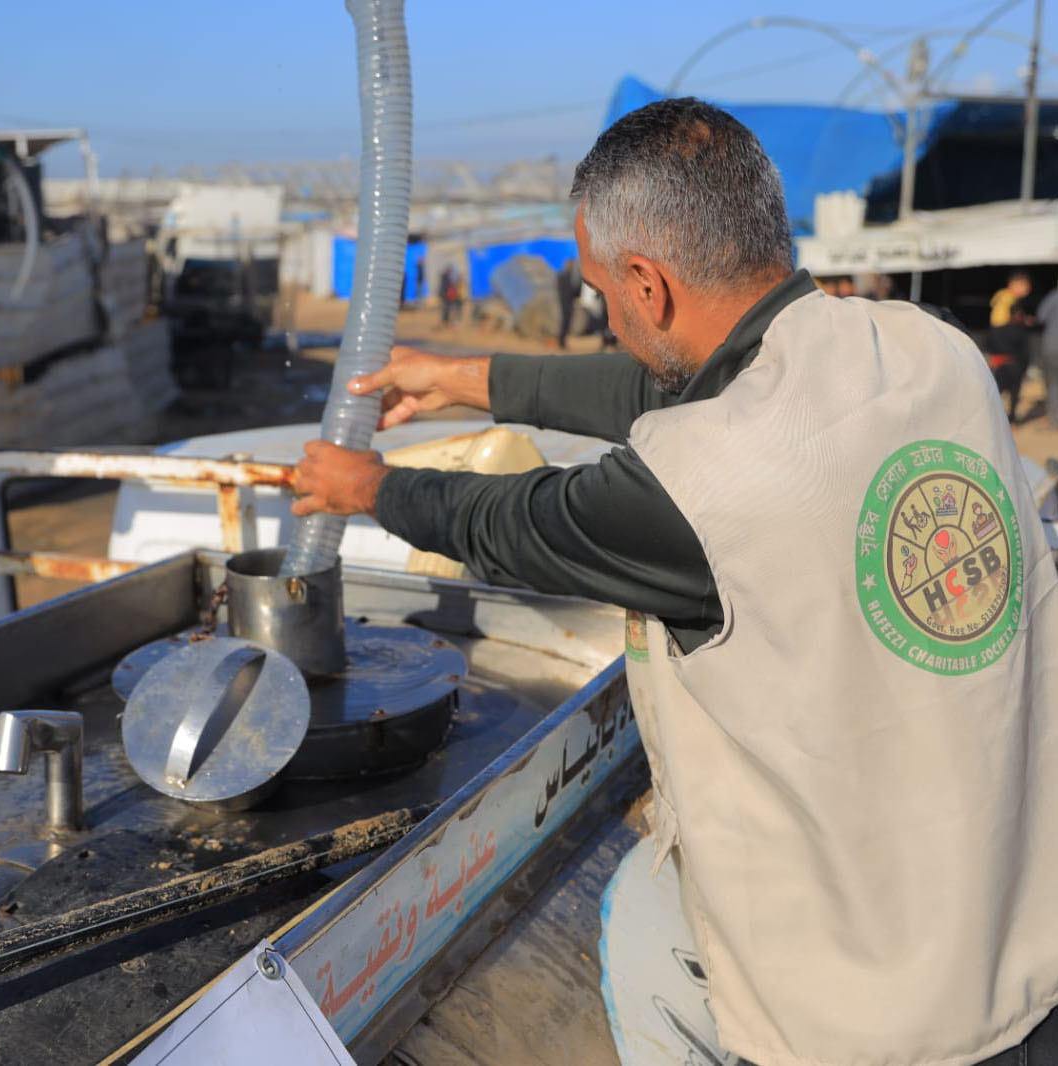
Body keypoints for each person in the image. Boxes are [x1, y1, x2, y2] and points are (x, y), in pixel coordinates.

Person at [292, 99, 1057, 1065]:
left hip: (880, 1024)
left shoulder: (703, 487)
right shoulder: (927, 350)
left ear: (647, 284)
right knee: (648, 915)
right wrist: (469, 378)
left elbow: (513, 521)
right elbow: (693, 387)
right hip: (1024, 931)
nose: (608, 320)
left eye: (605, 296)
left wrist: (366, 486)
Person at [988, 269, 1035, 421]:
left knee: (1003, 388)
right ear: (1013, 284)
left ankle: (1009, 417)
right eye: (1024, 285)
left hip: (1006, 352)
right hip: (1008, 353)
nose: (1027, 289)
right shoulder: (1007, 299)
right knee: (1003, 387)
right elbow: (999, 325)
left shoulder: (1005, 299)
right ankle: (1007, 418)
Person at [1037, 281, 1058, 427]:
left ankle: (1055, 420)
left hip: (1052, 346)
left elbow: (1040, 317)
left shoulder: (1052, 297)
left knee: (1053, 384)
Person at [556, 257, 582, 349]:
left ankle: (562, 342)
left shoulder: (571, 276)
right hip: (565, 303)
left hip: (568, 303)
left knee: (567, 322)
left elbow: (575, 292)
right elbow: (563, 291)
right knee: (565, 322)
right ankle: (561, 342)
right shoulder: (563, 276)